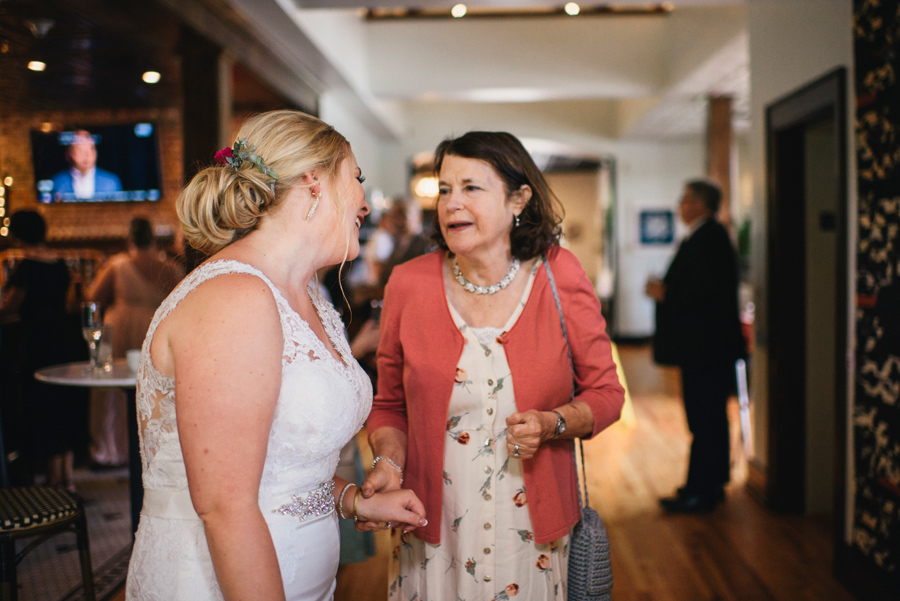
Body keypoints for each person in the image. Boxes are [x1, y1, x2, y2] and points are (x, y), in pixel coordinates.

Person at [125, 110, 426, 601]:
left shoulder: (308, 299)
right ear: (314, 183)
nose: (366, 205)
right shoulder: (233, 299)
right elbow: (225, 504)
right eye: (357, 179)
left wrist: (353, 502)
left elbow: (282, 471)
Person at [363, 131, 625, 600]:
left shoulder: (557, 272)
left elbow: (607, 393)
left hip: (532, 530)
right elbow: (388, 406)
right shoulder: (409, 283)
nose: (451, 203)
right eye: (444, 189)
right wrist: (387, 462)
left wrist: (554, 423)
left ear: (518, 199)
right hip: (432, 527)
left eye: (471, 188)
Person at [645, 179, 746, 514]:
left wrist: (665, 293)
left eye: (686, 199)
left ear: (701, 205)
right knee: (710, 418)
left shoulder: (708, 238)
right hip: (708, 350)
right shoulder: (707, 237)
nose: (680, 205)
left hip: (706, 350)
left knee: (704, 419)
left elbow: (703, 295)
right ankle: (710, 484)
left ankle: (700, 490)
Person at [86, 217, 184, 467]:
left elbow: (92, 297)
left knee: (112, 389)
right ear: (153, 238)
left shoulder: (117, 265)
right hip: (154, 330)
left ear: (129, 239)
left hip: (119, 330)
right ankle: (151, 448)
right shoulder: (170, 267)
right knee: (155, 389)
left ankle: (112, 450)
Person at [0, 210, 83, 491]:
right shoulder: (60, 265)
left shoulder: (26, 267)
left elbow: (8, 307)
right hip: (63, 339)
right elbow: (71, 304)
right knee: (62, 403)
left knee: (41, 405)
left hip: (36, 342)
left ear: (19, 233)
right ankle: (66, 477)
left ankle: (52, 480)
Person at [51, 129, 122, 201]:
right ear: (68, 154)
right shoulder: (56, 182)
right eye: (81, 150)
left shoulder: (111, 182)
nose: (87, 155)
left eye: (91, 149)